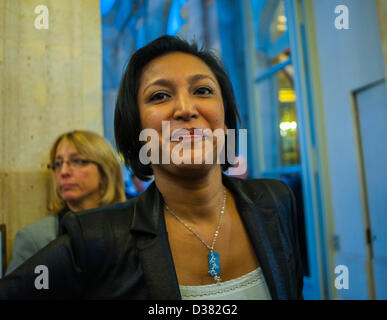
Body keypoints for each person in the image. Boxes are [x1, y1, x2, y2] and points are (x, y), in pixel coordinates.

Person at [0, 36, 303, 299]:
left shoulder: (275, 202)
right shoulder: (97, 238)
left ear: (225, 118)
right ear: (136, 130)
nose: (186, 108)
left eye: (203, 91)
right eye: (160, 96)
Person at [5, 130, 126, 275]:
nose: (63, 171)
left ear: (105, 171)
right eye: (58, 163)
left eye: (77, 161)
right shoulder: (34, 239)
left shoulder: (131, 227)